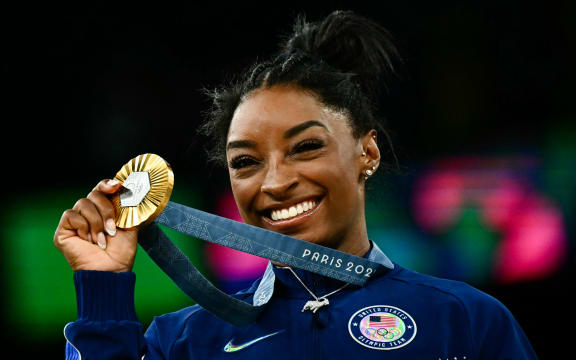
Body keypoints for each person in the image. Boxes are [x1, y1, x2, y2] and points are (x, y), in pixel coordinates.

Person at [54, 10, 538, 359]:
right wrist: (103, 285)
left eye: (306, 147)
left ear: (367, 152)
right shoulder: (184, 342)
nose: (277, 181)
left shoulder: (467, 321)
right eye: (246, 162)